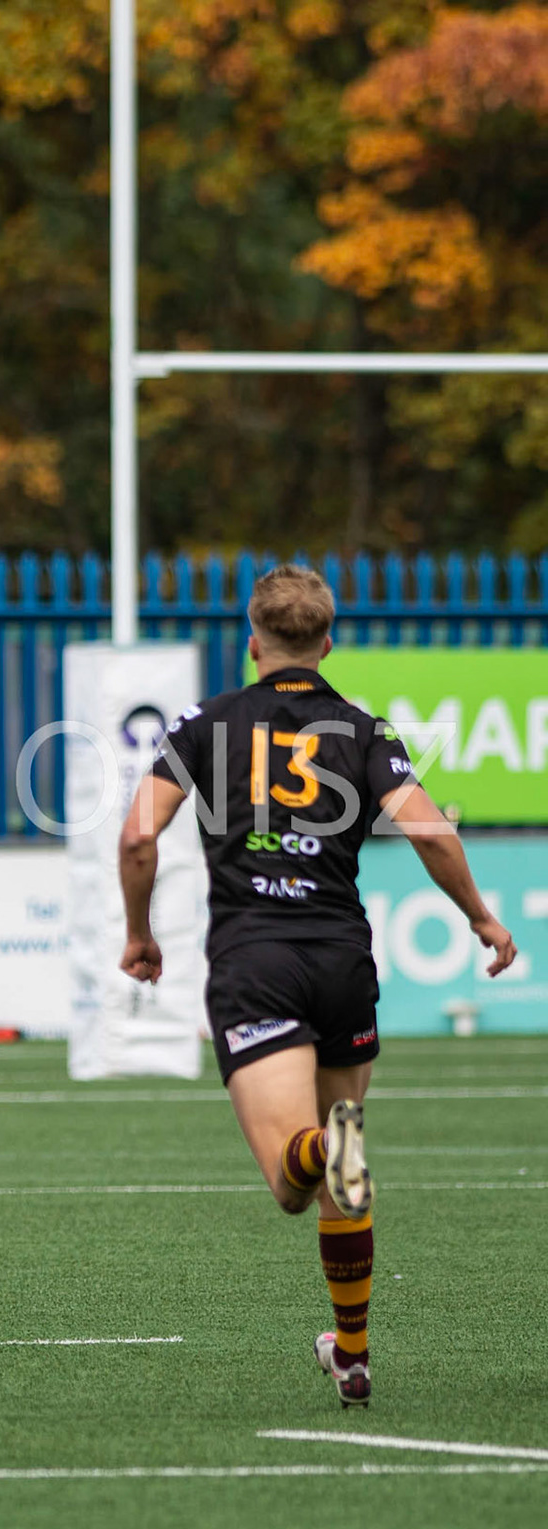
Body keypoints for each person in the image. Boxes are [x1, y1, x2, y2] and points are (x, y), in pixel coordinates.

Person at [119, 564, 516, 1408]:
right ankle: (353, 1353)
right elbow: (431, 832)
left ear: (252, 642)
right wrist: (481, 917)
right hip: (342, 959)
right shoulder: (363, 729)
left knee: (294, 1181)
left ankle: (317, 1148)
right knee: (343, 1162)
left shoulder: (206, 723)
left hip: (256, 961)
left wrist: (140, 934)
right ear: (327, 643)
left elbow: (137, 839)